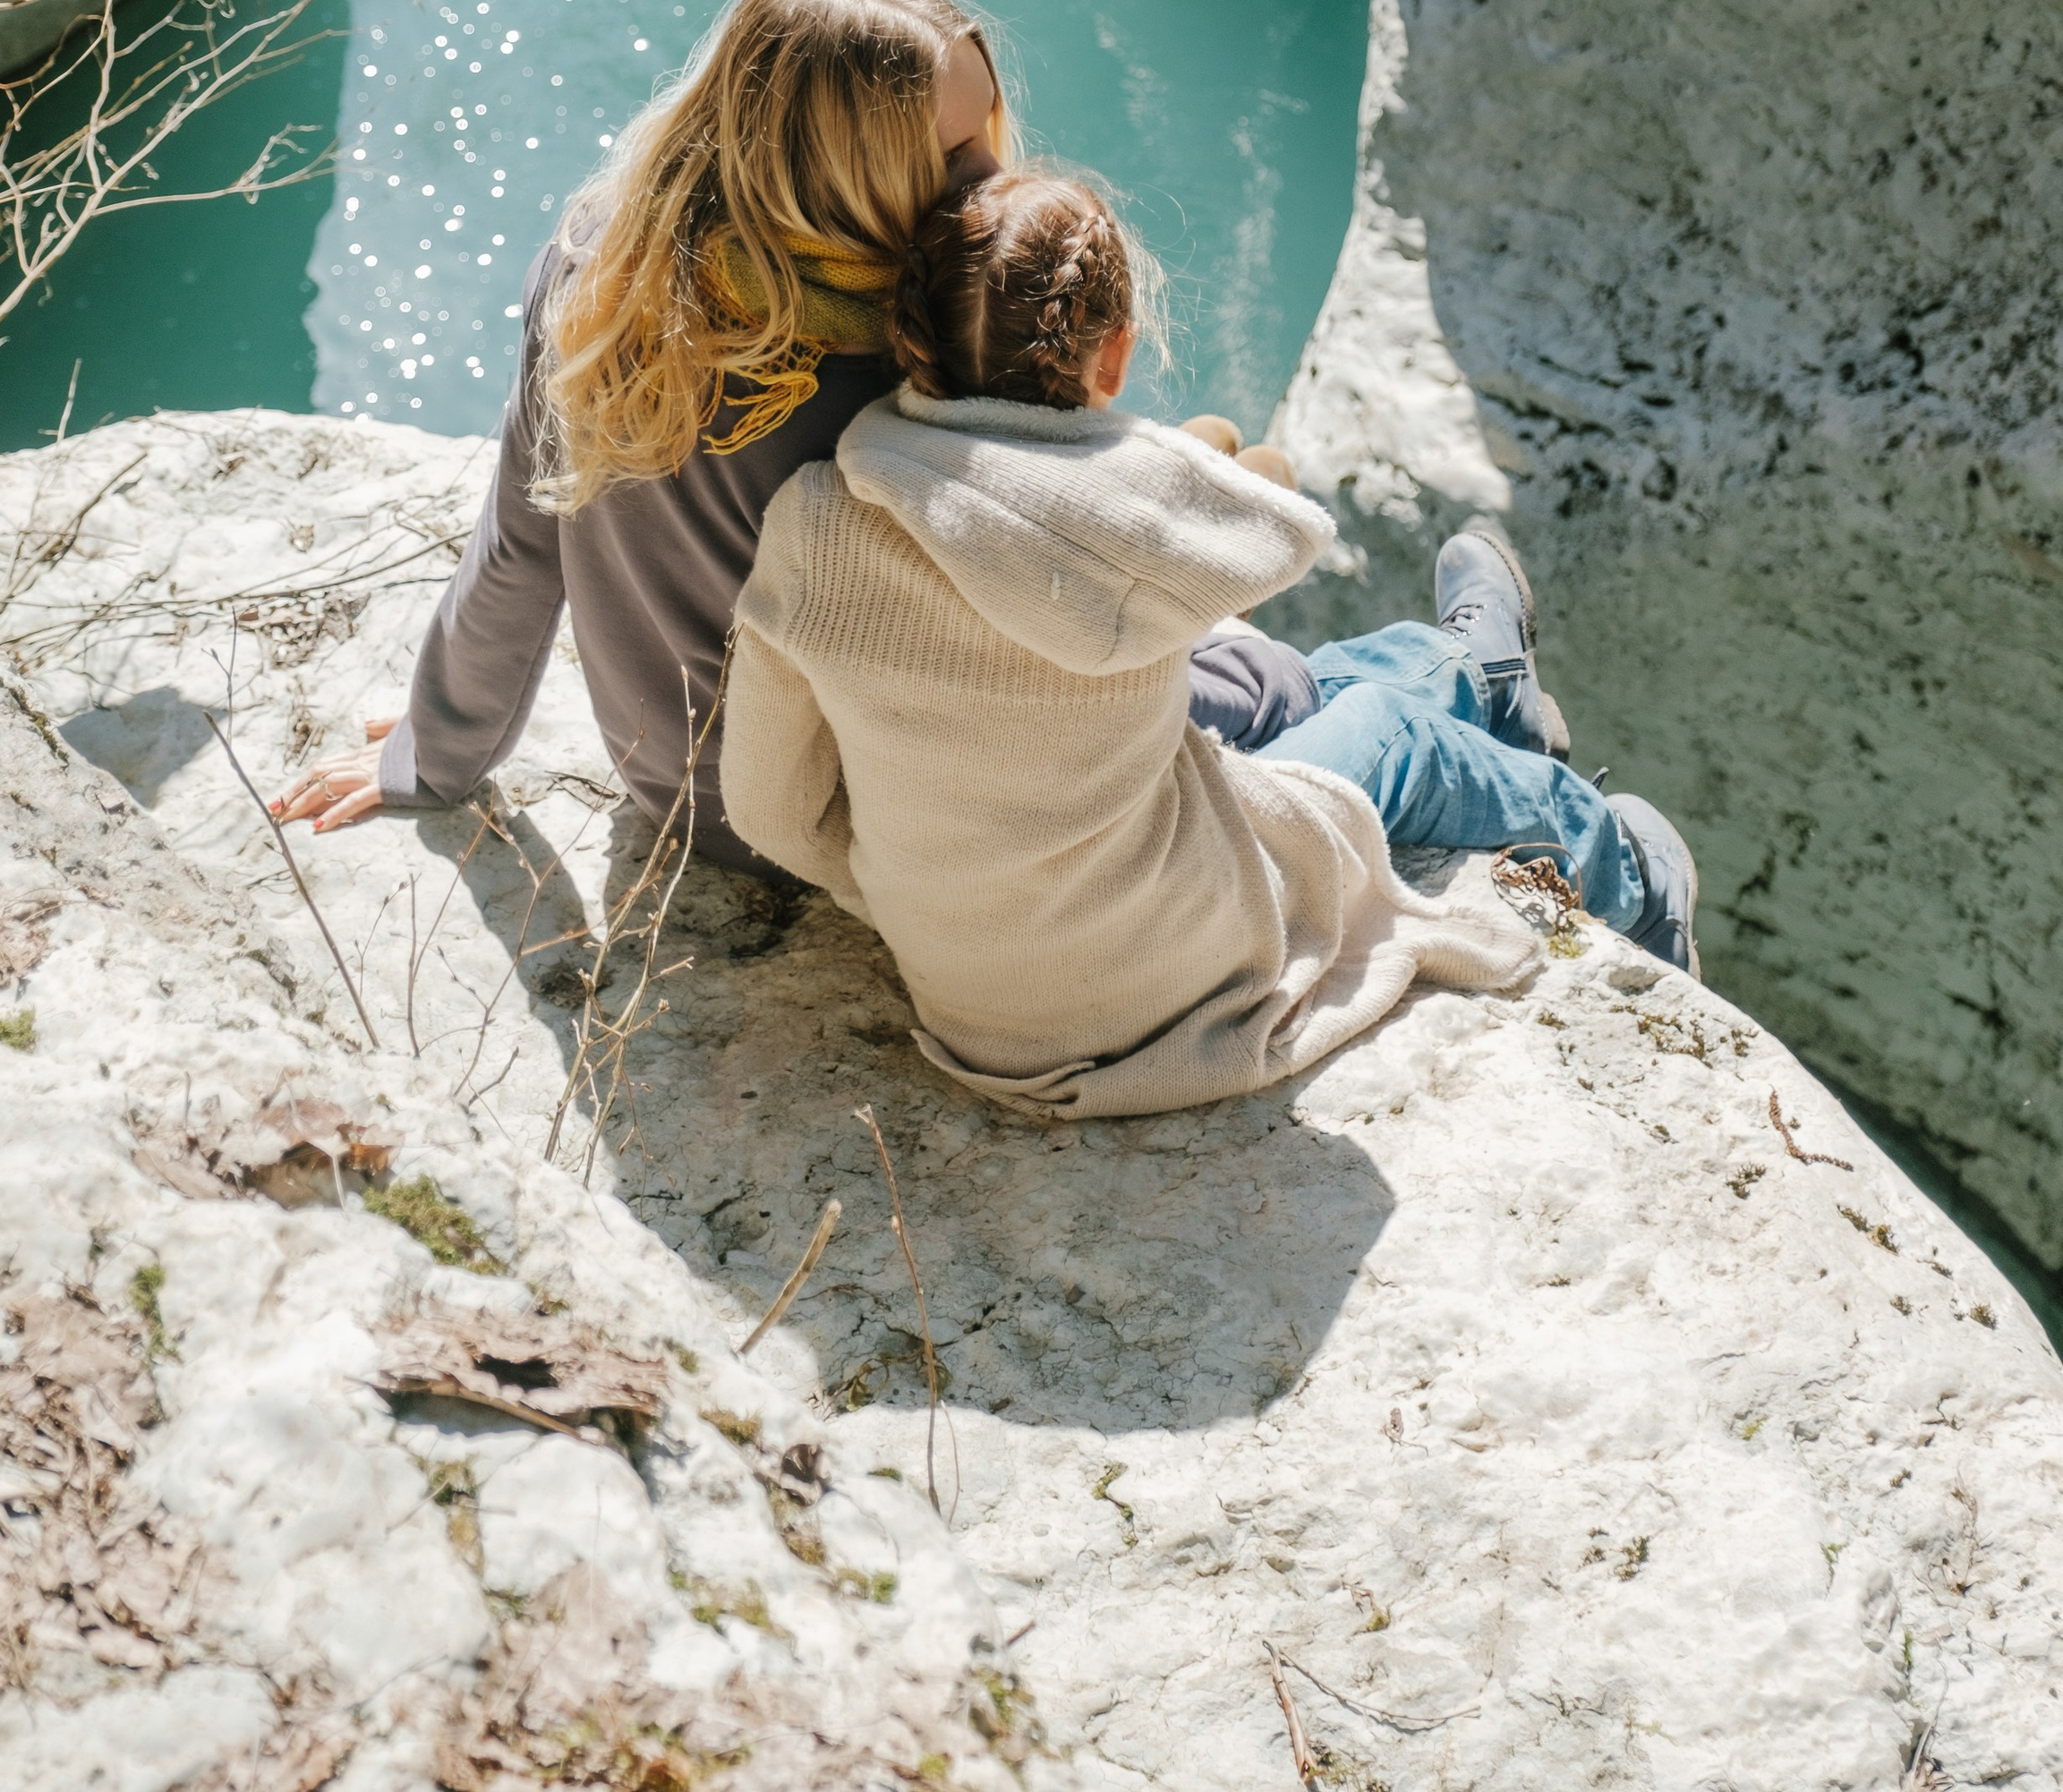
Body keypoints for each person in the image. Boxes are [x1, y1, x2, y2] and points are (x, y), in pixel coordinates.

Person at [718, 170, 1699, 1119]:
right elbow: (1280, 526)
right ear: (1115, 358)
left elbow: (768, 809)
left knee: (1320, 698)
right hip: (1164, 979)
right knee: (1394, 734)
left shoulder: (812, 524)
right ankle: (1635, 886)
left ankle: (1475, 673)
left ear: (905, 340)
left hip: (970, 1007)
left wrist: (946, 878)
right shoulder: (1138, 518)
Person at [269, 0, 1009, 863]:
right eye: (952, 158)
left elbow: (521, 542)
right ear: (841, 173)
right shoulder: (898, 360)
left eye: (986, 136)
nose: (991, 177)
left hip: (680, 790)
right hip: (846, 811)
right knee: (1230, 671)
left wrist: (435, 747)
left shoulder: (604, 269)